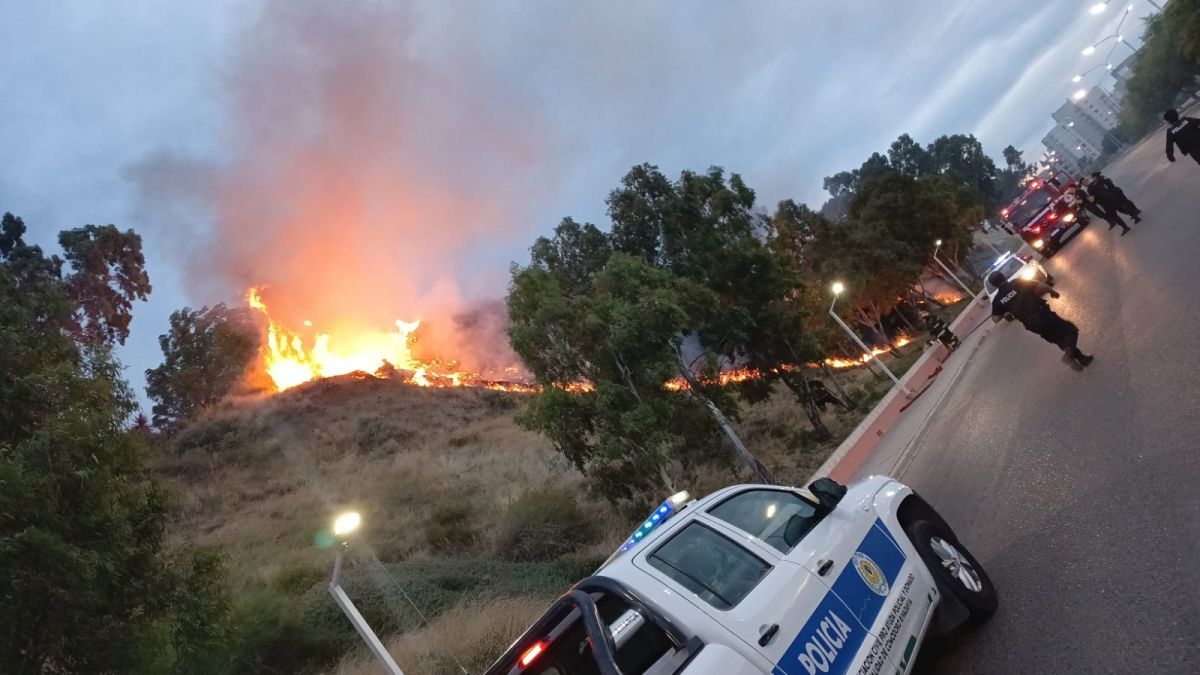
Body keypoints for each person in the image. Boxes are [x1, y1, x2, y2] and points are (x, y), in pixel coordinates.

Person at [989, 270, 1093, 370]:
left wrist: (1008, 309)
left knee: (1058, 338)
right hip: (1042, 314)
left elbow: (996, 319)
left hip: (1031, 324)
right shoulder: (1018, 282)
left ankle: (1081, 358)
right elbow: (1040, 285)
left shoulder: (998, 300)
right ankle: (1068, 355)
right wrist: (1053, 292)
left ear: (994, 285)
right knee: (1071, 330)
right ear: (1004, 277)